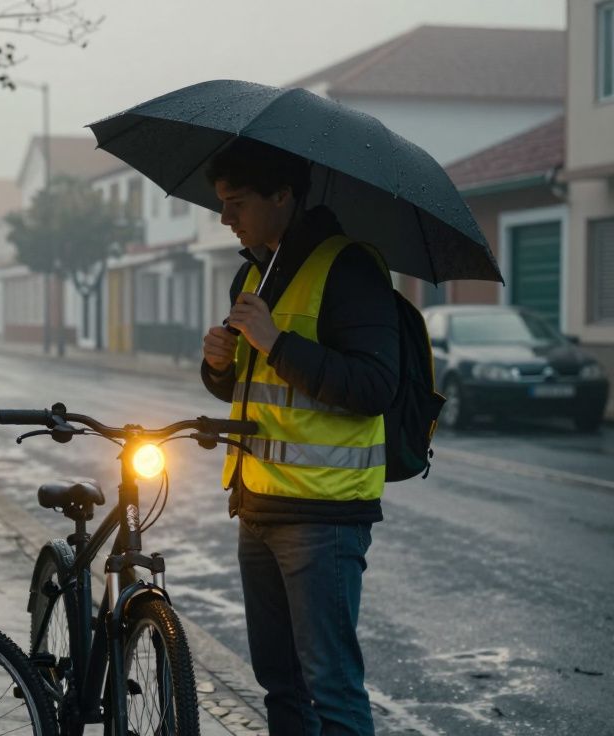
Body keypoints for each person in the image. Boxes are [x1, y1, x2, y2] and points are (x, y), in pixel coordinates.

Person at [200, 138, 399, 736]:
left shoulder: (350, 269)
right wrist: (218, 366)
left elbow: (374, 386)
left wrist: (275, 343)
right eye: (221, 204)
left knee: (330, 686)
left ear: (282, 196)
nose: (225, 218)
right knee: (280, 686)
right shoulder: (254, 271)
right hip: (257, 503)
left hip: (324, 515)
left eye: (236, 203)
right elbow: (250, 390)